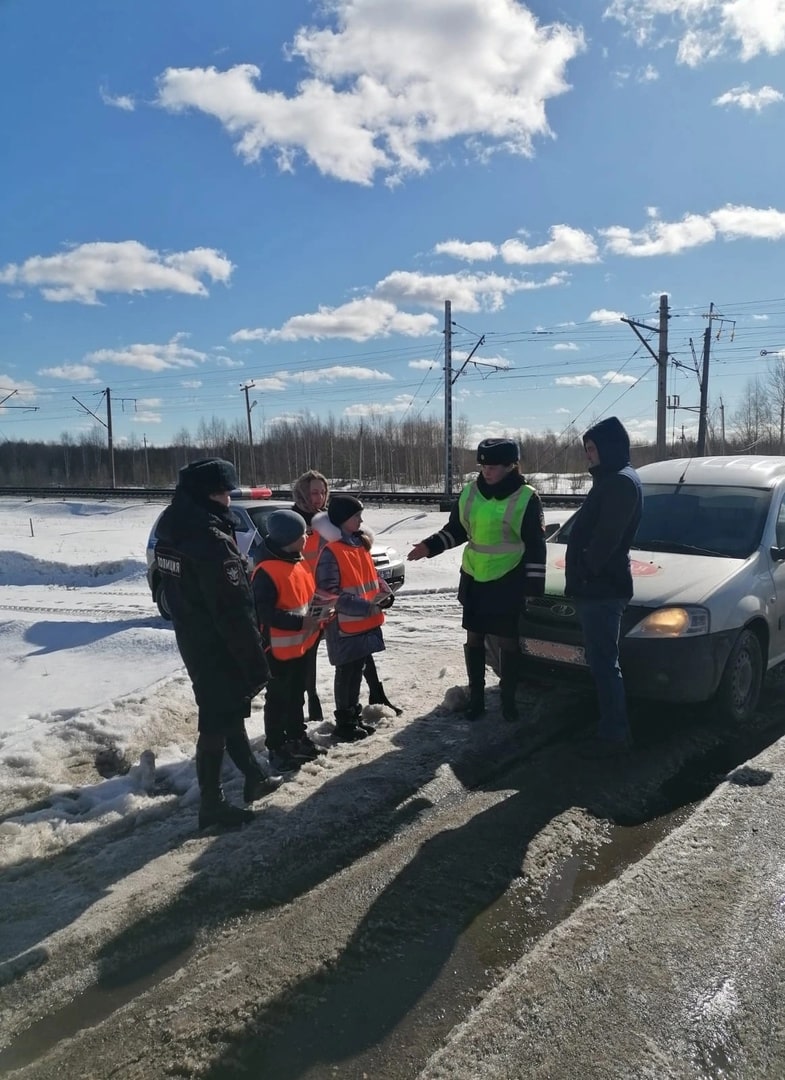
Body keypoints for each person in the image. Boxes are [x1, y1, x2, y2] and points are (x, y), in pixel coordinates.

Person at [155, 458, 283, 830]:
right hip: (220, 645)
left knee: (225, 713)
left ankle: (254, 776)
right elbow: (234, 610)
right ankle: (212, 804)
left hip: (194, 639)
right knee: (214, 722)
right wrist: (256, 662)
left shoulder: (172, 529)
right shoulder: (208, 540)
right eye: (224, 493)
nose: (229, 500)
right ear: (209, 495)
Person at [407, 438, 546, 723]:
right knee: (474, 638)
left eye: (493, 466)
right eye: (483, 466)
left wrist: (533, 588)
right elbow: (456, 530)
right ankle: (477, 700)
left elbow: (536, 545)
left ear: (511, 466)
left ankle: (508, 701)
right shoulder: (470, 492)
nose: (486, 471)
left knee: (507, 641)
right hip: (474, 576)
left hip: (508, 577)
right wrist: (429, 546)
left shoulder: (525, 497)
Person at [564, 417, 643, 757]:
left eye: (593, 448)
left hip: (602, 588)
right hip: (599, 586)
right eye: (586, 449)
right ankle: (610, 727)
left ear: (609, 447)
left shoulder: (619, 483)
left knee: (604, 663)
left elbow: (606, 538)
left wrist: (584, 572)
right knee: (601, 661)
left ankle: (614, 734)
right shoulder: (613, 479)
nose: (588, 455)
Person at [251, 509, 330, 773]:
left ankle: (297, 737)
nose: (308, 537)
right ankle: (277, 747)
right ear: (290, 539)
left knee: (296, 696)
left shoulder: (296, 561)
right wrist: (300, 623)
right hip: (277, 649)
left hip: (301, 645)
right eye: (302, 534)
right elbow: (265, 613)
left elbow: (304, 599)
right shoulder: (266, 571)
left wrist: (320, 613)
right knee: (278, 699)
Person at [312, 494, 394, 741]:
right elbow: (329, 594)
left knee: (356, 670)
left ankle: (353, 717)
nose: (361, 520)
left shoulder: (359, 544)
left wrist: (385, 593)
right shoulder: (332, 551)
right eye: (356, 516)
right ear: (342, 520)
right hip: (344, 625)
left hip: (361, 623)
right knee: (346, 672)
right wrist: (365, 607)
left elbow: (372, 575)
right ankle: (345, 722)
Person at [291, 470, 330, 722]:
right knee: (307, 654)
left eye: (323, 491)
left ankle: (373, 692)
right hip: (303, 597)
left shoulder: (327, 519)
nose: (319, 497)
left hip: (328, 594)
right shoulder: (294, 521)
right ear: (304, 493)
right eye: (314, 492)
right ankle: (310, 700)